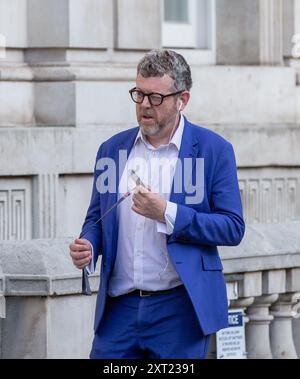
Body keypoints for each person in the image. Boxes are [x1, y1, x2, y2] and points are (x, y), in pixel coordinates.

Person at [69, 49, 245, 359]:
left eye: (155, 97)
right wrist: (88, 245)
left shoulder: (213, 150)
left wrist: (167, 212)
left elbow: (232, 228)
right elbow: (96, 218)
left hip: (179, 310)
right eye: (139, 94)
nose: (145, 106)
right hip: (118, 310)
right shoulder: (112, 150)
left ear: (183, 99)